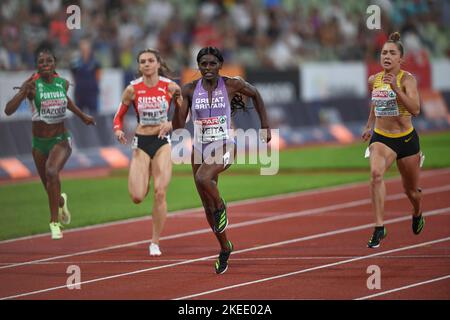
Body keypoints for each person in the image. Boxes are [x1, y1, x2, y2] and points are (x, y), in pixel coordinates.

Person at [172, 46, 271, 274]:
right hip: (199, 148)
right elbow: (178, 127)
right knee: (207, 204)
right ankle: (225, 247)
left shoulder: (231, 85)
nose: (207, 68)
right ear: (198, 66)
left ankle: (222, 206)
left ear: (220, 65)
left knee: (203, 177)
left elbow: (255, 94)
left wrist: (265, 125)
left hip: (225, 144)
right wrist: (175, 102)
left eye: (212, 64)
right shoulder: (188, 90)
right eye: (203, 64)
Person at [4, 48, 96, 239]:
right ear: (37, 66)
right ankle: (61, 202)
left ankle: (54, 223)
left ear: (55, 65)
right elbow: (8, 111)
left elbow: (67, 101)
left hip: (61, 139)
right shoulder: (32, 86)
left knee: (52, 171)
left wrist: (83, 116)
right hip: (39, 143)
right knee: (49, 186)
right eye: (41, 62)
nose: (45, 65)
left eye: (49, 62)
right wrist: (23, 91)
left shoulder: (63, 83)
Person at [113, 48, 182, 256]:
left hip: (162, 141)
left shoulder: (170, 87)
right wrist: (117, 129)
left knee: (160, 192)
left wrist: (171, 123)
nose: (146, 64)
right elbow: (119, 116)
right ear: (139, 65)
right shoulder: (132, 89)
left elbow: (184, 112)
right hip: (141, 141)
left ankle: (155, 242)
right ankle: (145, 176)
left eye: (150, 60)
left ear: (158, 64)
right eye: (142, 61)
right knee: (136, 196)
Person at [362, 32, 424, 248]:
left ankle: (417, 212)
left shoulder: (407, 80)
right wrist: (369, 125)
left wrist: (396, 89)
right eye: (384, 52)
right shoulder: (374, 80)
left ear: (401, 59)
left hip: (406, 141)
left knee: (411, 192)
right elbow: (375, 102)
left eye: (392, 53)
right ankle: (379, 227)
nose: (387, 56)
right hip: (382, 138)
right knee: (376, 175)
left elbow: (416, 109)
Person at [71, 37, 101, 114]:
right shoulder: (75, 62)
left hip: (91, 92)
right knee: (79, 114)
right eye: (82, 46)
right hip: (79, 92)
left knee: (94, 114)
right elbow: (74, 75)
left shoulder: (95, 62)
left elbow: (98, 76)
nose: (84, 48)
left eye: (86, 46)